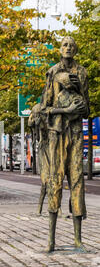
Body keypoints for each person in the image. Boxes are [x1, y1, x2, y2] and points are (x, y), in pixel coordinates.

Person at [40, 36, 89, 253]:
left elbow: (87, 110)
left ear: (75, 50)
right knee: (55, 181)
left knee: (77, 181)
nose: (68, 48)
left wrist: (78, 94)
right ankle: (50, 240)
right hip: (57, 134)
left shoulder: (82, 72)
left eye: (71, 45)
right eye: (65, 45)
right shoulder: (52, 72)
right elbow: (45, 108)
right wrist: (66, 111)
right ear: (60, 49)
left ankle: (78, 240)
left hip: (76, 134)